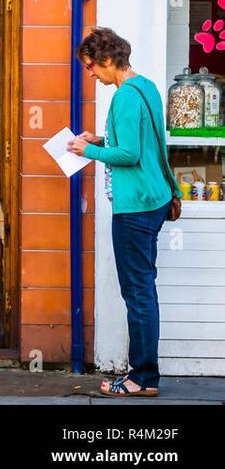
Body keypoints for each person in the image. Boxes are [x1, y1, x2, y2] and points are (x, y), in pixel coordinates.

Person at [67, 26, 174, 398]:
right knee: (143, 289)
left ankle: (142, 377)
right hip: (154, 200)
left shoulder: (125, 97)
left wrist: (88, 152)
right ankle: (145, 373)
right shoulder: (145, 86)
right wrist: (101, 139)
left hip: (136, 207)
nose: (91, 73)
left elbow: (130, 155)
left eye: (92, 66)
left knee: (138, 293)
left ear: (108, 60)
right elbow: (141, 140)